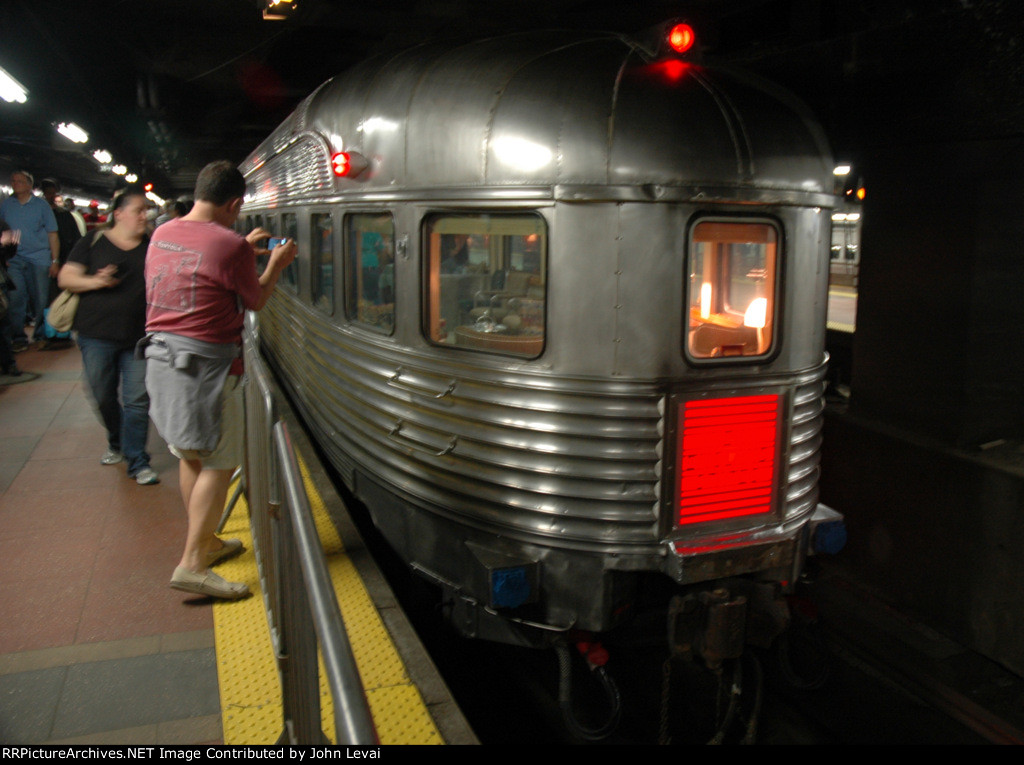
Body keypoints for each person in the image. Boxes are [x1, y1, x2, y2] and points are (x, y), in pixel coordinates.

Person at [143, 160, 296, 600]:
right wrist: (277, 263)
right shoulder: (230, 246)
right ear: (234, 203)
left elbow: (201, 262)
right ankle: (192, 563)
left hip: (161, 360)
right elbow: (257, 299)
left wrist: (242, 247)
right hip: (209, 369)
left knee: (190, 455)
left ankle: (206, 542)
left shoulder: (164, 232)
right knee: (219, 461)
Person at [57, 187, 159, 485]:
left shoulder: (151, 244)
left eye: (146, 210)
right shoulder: (93, 241)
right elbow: (66, 278)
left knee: (137, 401)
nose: (145, 216)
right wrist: (96, 281)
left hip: (138, 337)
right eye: (139, 210)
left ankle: (138, 461)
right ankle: (116, 440)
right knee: (102, 395)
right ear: (119, 214)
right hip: (95, 334)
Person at [0, 170, 58, 350]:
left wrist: (55, 261)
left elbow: (52, 234)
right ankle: (18, 337)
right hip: (14, 259)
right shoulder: (6, 205)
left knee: (39, 298)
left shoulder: (41, 206)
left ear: (29, 185)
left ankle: (40, 333)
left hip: (39, 258)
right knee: (16, 298)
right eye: (13, 180)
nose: (15, 183)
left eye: (19, 181)